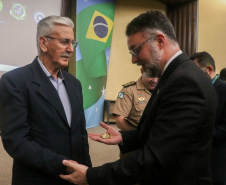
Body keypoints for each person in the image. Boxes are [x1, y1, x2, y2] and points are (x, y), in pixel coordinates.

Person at [60, 10, 217, 185]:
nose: (134, 60)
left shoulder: (185, 81)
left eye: (136, 50)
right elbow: (162, 132)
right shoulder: (177, 75)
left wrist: (91, 176)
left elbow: (155, 159)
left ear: (159, 41)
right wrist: (124, 137)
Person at [0, 16, 91, 185]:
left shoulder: (75, 84)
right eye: (65, 42)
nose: (71, 49)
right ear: (43, 43)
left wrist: (87, 172)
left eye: (73, 43)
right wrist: (63, 165)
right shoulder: (15, 81)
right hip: (37, 178)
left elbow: (80, 134)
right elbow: (16, 141)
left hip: (76, 178)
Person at [191, 51, 226, 185]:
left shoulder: (224, 91)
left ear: (209, 69)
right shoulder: (196, 90)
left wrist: (202, 133)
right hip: (196, 159)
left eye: (195, 71)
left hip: (217, 159)